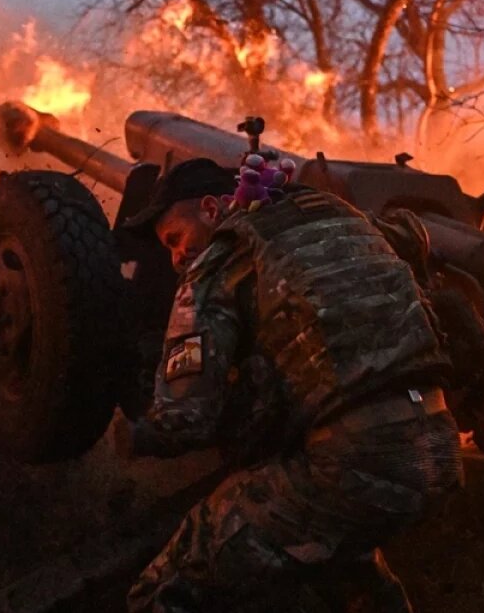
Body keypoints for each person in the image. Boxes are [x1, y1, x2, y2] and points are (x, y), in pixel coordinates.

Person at [117, 157, 465, 613]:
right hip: (437, 450)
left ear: (210, 208)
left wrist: (136, 434)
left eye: (175, 239)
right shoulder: (349, 222)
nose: (176, 258)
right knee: (346, 567)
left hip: (349, 461)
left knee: (164, 590)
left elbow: (186, 418)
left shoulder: (217, 261)